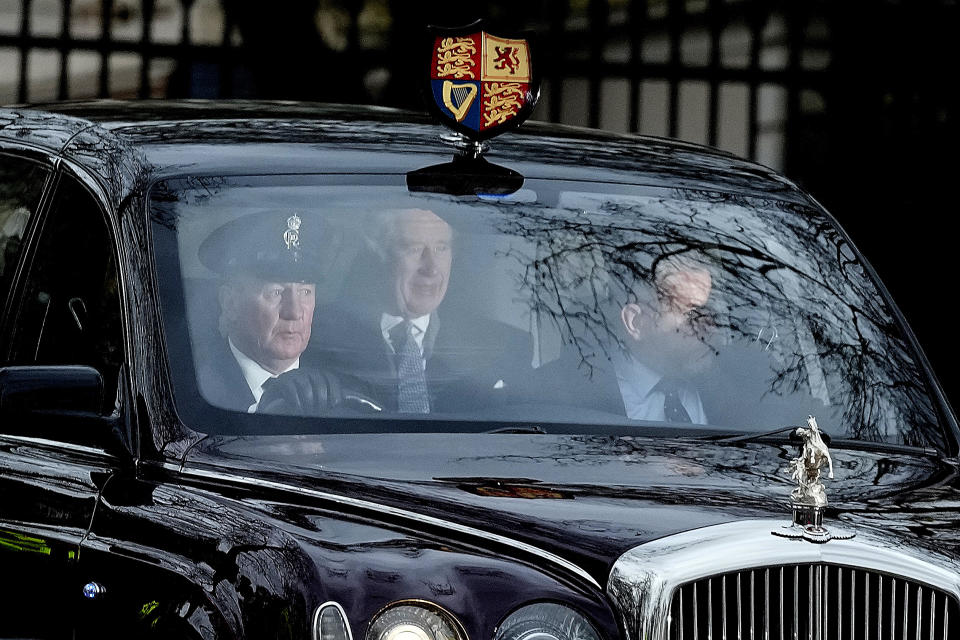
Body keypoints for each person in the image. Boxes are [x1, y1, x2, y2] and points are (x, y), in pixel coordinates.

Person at [305, 207, 531, 414]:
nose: (431, 268)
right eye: (414, 249)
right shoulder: (314, 340)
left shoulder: (502, 346)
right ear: (379, 256)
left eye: (441, 248)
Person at [195, 210, 370, 413]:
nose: (294, 312)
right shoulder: (198, 392)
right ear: (230, 302)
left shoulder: (347, 389)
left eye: (305, 292)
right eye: (276, 292)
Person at [534, 253, 718, 424]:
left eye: (712, 312)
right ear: (636, 323)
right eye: (692, 314)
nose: (710, 326)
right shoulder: (554, 396)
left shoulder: (720, 386)